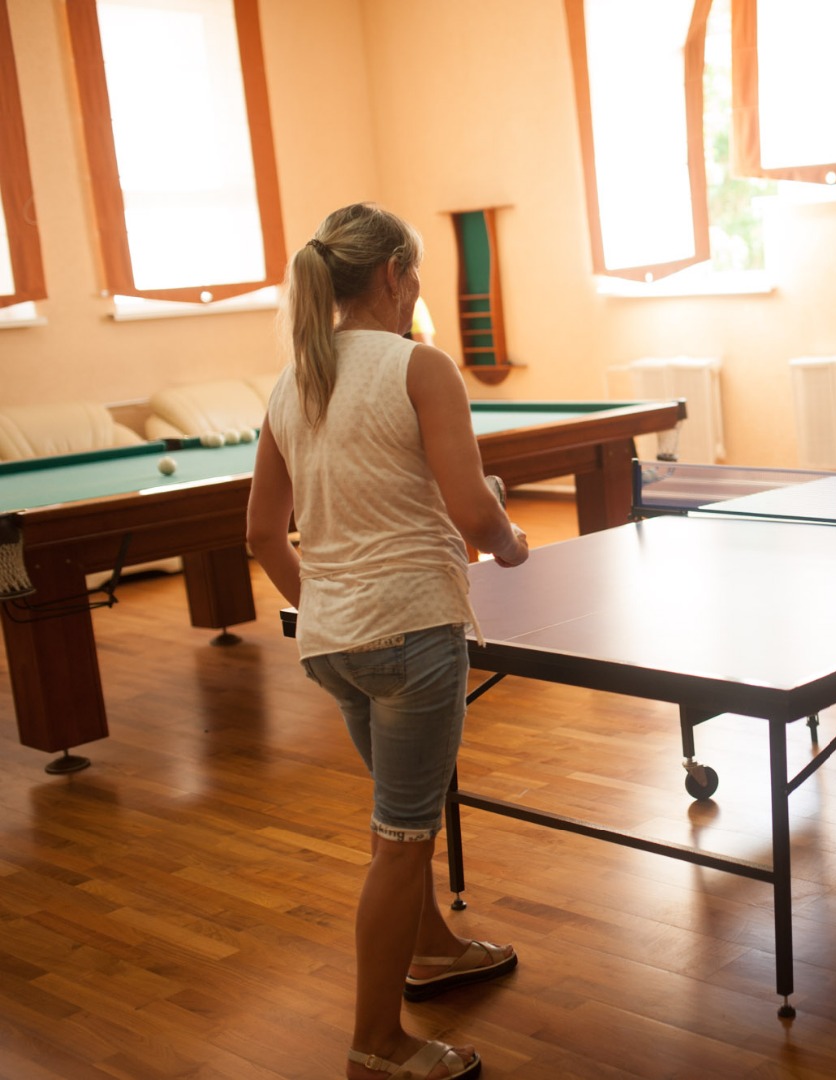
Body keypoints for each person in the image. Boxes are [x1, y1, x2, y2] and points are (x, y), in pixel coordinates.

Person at [246, 203, 531, 1080]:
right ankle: (377, 1043)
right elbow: (472, 512)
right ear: (393, 275)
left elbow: (260, 535)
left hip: (336, 645)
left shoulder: (291, 381)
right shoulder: (420, 365)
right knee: (403, 838)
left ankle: (433, 950)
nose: (415, 289)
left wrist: (329, 607)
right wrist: (511, 541)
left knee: (398, 816)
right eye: (414, 275)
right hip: (411, 634)